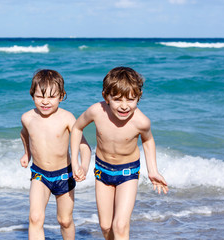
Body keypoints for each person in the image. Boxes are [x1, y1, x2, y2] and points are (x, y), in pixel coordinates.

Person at [71, 66, 168, 240]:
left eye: (131, 100)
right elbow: (77, 128)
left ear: (138, 97)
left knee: (120, 225)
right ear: (105, 96)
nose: (124, 106)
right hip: (102, 171)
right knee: (106, 226)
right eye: (117, 99)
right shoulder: (96, 111)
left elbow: (148, 140)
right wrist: (76, 163)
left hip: (128, 172)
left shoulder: (141, 122)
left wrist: (153, 170)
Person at [20, 69, 91, 240]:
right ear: (32, 96)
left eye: (51, 97)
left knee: (65, 220)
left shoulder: (67, 118)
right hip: (39, 174)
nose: (45, 102)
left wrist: (83, 166)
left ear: (61, 96)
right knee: (35, 218)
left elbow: (84, 146)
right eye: (40, 97)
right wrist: (26, 154)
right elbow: (24, 134)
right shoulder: (27, 118)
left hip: (64, 175)